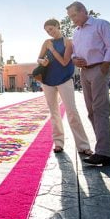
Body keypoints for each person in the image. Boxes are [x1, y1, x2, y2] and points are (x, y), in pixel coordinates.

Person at [67, 1, 110, 167]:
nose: (72, 19)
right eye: (70, 17)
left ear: (83, 11)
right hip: (84, 72)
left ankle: (103, 152)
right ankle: (104, 149)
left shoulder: (101, 24)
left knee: (100, 109)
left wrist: (104, 66)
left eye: (74, 15)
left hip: (98, 69)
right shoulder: (76, 32)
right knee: (91, 111)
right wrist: (75, 59)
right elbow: (74, 52)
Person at [37, 18, 93, 156]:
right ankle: (58, 143)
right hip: (48, 81)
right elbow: (38, 58)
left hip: (64, 80)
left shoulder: (68, 42)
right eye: (47, 31)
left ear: (58, 26)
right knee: (54, 113)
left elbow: (64, 62)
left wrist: (52, 49)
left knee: (72, 111)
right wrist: (42, 61)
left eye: (51, 29)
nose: (49, 33)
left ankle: (83, 145)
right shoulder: (46, 42)